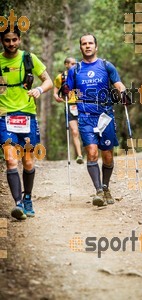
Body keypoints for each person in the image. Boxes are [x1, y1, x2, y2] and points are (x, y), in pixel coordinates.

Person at [66, 33, 127, 207]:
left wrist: (123, 93)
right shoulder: (75, 69)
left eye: (90, 43)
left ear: (96, 46)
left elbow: (118, 83)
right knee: (92, 152)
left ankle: (106, 186)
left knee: (107, 156)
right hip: (85, 116)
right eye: (84, 43)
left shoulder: (106, 66)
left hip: (105, 115)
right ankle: (99, 191)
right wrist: (64, 89)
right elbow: (67, 90)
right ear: (80, 47)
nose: (87, 46)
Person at [0, 25, 53, 220]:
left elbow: (48, 81)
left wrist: (39, 90)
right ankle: (18, 204)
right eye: (7, 40)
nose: (11, 44)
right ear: (2, 41)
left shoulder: (28, 58)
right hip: (5, 116)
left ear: (19, 40)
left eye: (14, 40)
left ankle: (28, 197)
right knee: (10, 159)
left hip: (27, 115)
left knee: (28, 161)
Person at [53, 57, 84, 164]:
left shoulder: (80, 74)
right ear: (66, 64)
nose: (74, 65)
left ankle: (91, 152)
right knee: (75, 132)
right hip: (69, 105)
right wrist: (56, 96)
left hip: (82, 104)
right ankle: (79, 155)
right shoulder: (60, 77)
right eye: (72, 63)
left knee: (85, 130)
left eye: (76, 63)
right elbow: (55, 90)